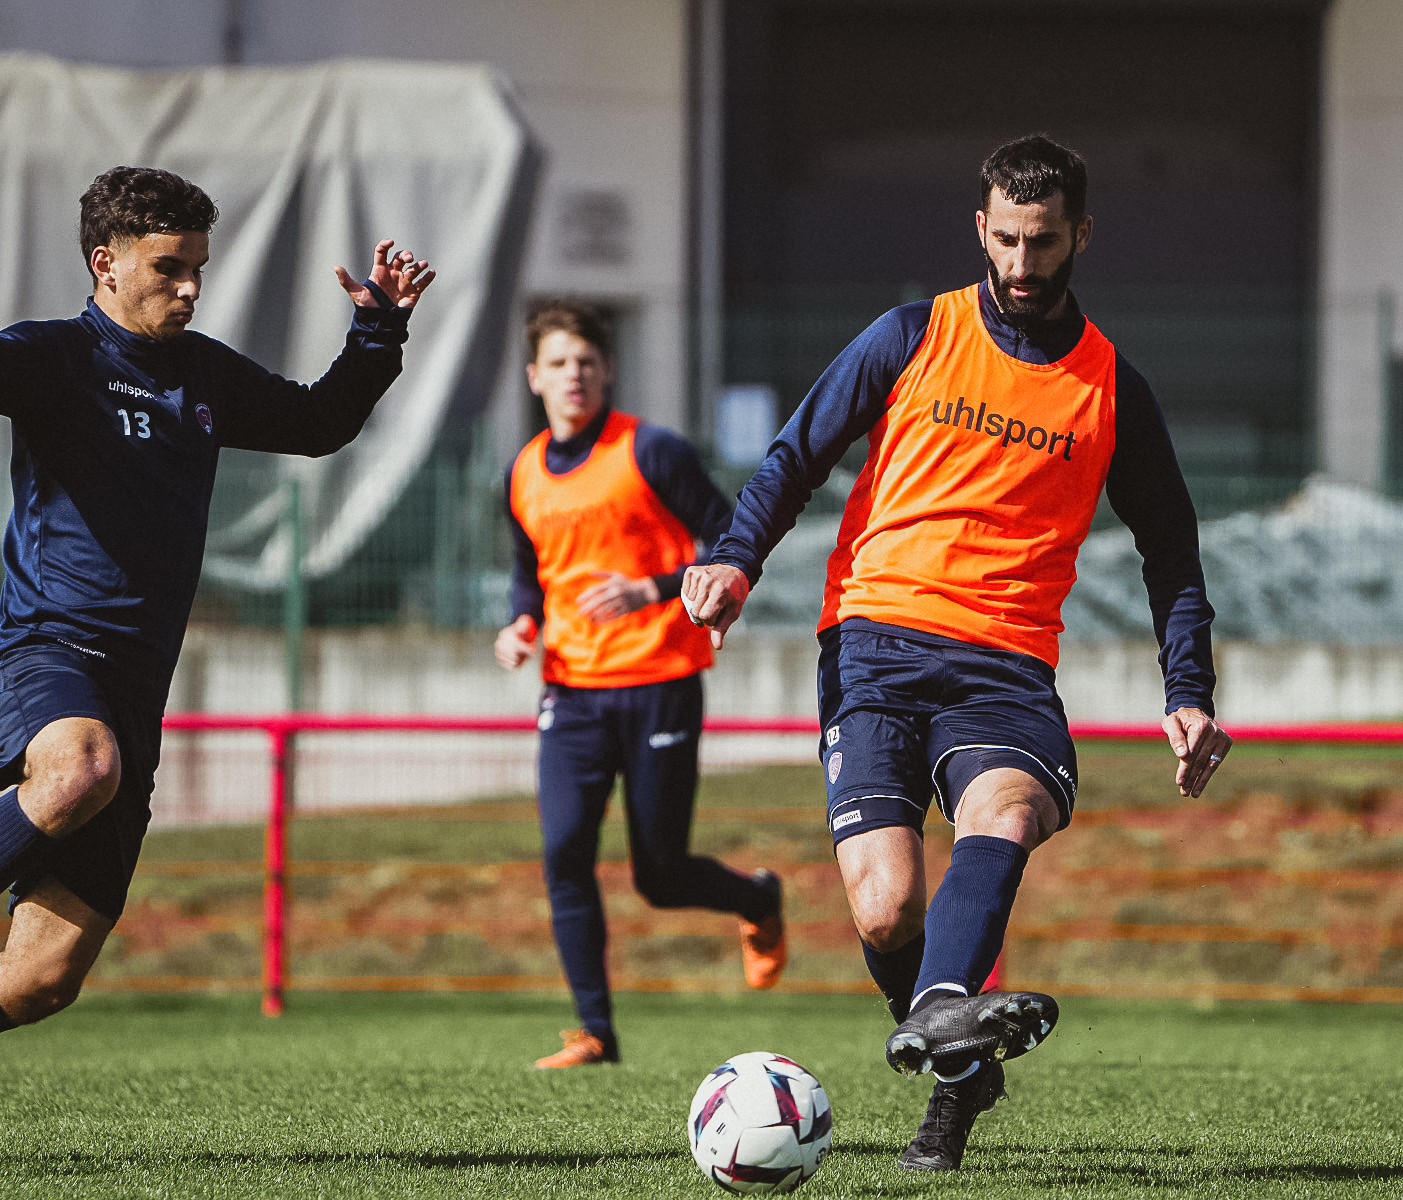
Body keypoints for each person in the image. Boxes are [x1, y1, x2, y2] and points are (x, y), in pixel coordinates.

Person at [682, 134, 1232, 1172]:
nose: (1022, 263)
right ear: (980, 226)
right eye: (1007, 239)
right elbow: (797, 454)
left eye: (1044, 241)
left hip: (1006, 665)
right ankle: (962, 1059)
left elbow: (1172, 549)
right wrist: (735, 561)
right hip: (874, 642)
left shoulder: (1111, 387)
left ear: (1081, 236)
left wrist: (1189, 688)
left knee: (1006, 812)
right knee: (885, 908)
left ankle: (942, 1027)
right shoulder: (910, 335)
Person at [0, 165, 432, 1030]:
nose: (192, 287)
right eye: (169, 267)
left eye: (199, 267)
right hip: (46, 654)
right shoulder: (52, 358)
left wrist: (378, 331)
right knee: (80, 768)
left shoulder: (203, 375)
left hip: (137, 690)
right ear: (106, 262)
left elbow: (318, 425)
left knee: (38, 982)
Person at [495, 300, 786, 1069]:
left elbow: (728, 536)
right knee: (564, 852)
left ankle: (757, 898)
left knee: (659, 875)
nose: (574, 375)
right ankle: (595, 1033)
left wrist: (651, 589)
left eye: (587, 362)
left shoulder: (650, 451)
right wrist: (521, 624)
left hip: (661, 681)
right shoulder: (522, 471)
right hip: (572, 692)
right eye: (559, 363)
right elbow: (530, 572)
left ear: (609, 371)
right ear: (534, 377)